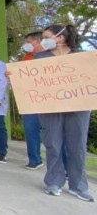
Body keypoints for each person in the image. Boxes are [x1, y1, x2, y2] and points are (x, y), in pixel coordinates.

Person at [35, 25, 93, 202]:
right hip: (50, 106)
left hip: (78, 106)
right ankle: (54, 181)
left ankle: (78, 186)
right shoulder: (40, 58)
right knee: (53, 143)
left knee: (78, 146)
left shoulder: (83, 57)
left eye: (46, 37)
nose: (43, 40)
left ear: (60, 38)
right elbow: (31, 81)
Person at [20, 31, 45, 170]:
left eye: (28, 42)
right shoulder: (27, 58)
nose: (27, 45)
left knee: (55, 135)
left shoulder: (52, 56)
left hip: (49, 101)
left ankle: (64, 166)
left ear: (38, 41)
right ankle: (35, 159)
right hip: (30, 100)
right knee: (31, 130)